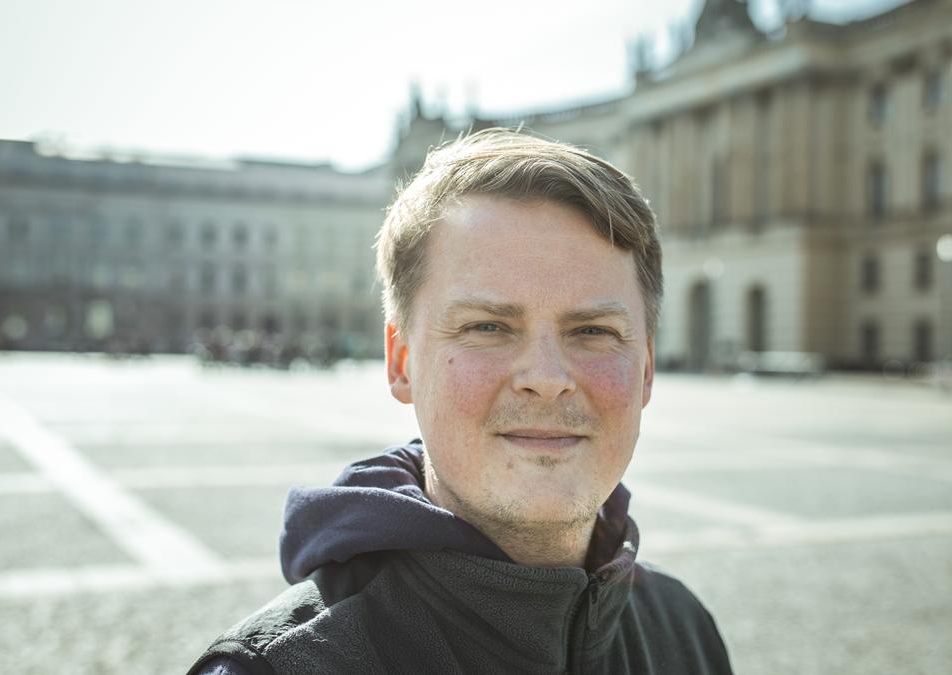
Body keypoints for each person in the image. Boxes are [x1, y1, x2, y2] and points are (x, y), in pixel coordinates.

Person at [189, 129, 733, 675]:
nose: (546, 379)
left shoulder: (685, 628)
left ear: (646, 370)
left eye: (592, 331)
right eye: (487, 326)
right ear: (402, 362)